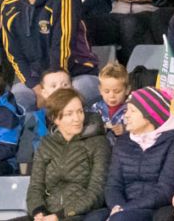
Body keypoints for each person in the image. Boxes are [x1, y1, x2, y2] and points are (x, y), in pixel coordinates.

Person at [0, 0, 98, 96]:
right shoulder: (8, 5)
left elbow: (62, 47)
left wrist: (53, 87)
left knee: (76, 91)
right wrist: (37, 89)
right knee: (18, 96)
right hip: (38, 82)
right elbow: (13, 54)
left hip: (75, 74)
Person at [27, 87, 112, 221]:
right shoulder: (46, 144)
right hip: (47, 213)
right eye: (69, 114)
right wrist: (39, 212)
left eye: (80, 112)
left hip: (80, 214)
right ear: (55, 118)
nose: (77, 118)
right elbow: (35, 186)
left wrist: (60, 215)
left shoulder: (99, 143)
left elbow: (97, 192)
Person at [100, 87, 174, 221]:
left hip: (154, 209)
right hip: (121, 207)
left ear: (149, 116)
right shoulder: (123, 142)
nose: (126, 115)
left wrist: (125, 209)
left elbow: (165, 190)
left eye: (133, 111)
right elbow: (113, 184)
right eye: (127, 110)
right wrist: (117, 207)